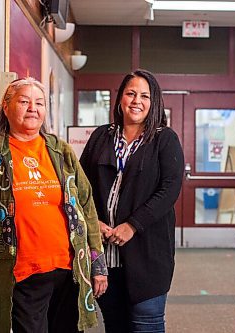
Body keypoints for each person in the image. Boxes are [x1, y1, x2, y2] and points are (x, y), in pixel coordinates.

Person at [0, 77, 107, 333]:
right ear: (6, 106)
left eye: (39, 103)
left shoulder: (60, 150)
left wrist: (97, 260)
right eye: (24, 101)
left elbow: (86, 205)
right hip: (24, 269)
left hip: (68, 268)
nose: (32, 108)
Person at [79, 69, 184, 333]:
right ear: (120, 99)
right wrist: (96, 223)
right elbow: (81, 187)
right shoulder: (101, 136)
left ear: (154, 102)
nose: (137, 101)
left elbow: (169, 190)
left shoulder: (164, 139)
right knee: (115, 326)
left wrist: (133, 225)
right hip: (106, 254)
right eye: (131, 93)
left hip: (148, 255)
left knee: (146, 324)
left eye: (145, 96)